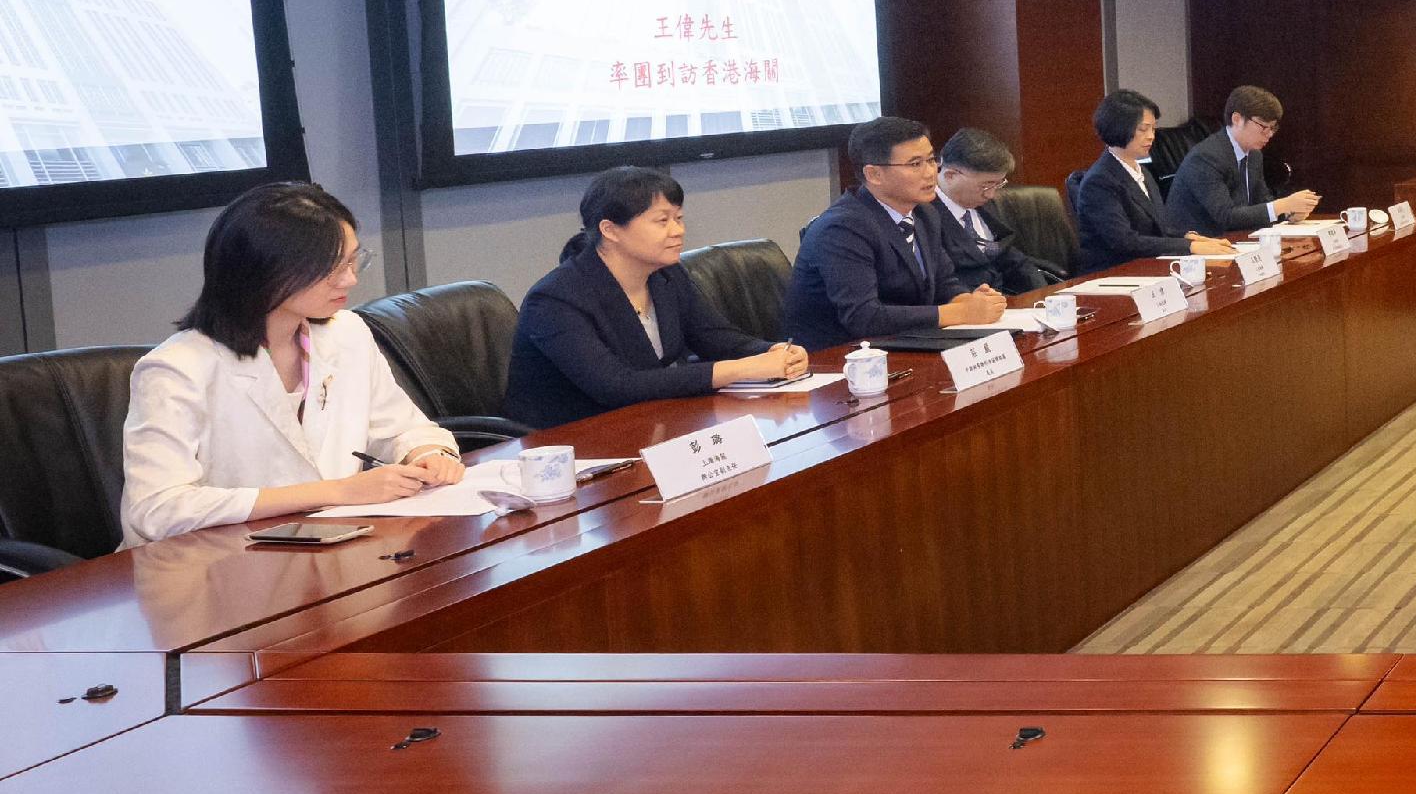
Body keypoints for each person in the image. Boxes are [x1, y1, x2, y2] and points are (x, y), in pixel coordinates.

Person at [118, 181, 468, 545]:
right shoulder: (177, 368)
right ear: (266, 271)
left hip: (325, 551)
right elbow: (157, 509)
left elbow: (400, 428)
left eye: (352, 260)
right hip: (205, 571)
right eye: (331, 267)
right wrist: (337, 491)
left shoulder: (345, 333)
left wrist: (428, 454)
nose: (350, 278)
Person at [502, 166, 810, 428]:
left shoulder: (666, 275)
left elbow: (715, 338)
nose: (678, 230)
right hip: (571, 446)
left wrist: (772, 350)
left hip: (648, 424)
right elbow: (617, 386)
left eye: (679, 218)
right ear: (610, 230)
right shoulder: (555, 300)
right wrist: (744, 368)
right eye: (662, 221)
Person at [783, 116, 1008, 349]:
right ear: (874, 175)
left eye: (931, 160)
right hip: (837, 361)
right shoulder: (842, 229)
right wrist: (961, 312)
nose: (930, 172)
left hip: (903, 345)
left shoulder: (925, 214)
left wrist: (971, 301)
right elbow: (864, 317)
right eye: (915, 164)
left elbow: (944, 283)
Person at [1072, 88, 1231, 274]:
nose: (1151, 136)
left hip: (1147, 267)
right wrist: (1189, 247)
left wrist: (1195, 238)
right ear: (1119, 128)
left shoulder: (1144, 173)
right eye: (1143, 129)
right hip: (1113, 273)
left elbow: (1160, 228)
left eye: (1153, 128)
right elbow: (1125, 241)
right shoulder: (1099, 181)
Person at [1168, 83, 1324, 238]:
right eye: (1263, 127)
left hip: (1236, 240)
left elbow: (1261, 202)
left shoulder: (1254, 154)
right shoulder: (1205, 158)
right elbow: (1226, 216)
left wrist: (1288, 213)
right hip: (1197, 246)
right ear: (1237, 119)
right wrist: (1281, 205)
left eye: (1273, 128)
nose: (1269, 134)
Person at [931, 128, 1062, 297]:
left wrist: (1043, 295)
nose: (991, 194)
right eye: (986, 185)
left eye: (998, 184)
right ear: (950, 175)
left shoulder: (982, 202)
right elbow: (945, 283)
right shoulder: (925, 214)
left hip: (1010, 303)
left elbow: (1010, 256)